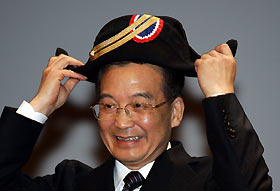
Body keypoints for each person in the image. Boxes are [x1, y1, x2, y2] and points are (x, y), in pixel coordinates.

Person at [0, 14, 272, 191]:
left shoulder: (211, 181)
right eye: (108, 105)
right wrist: (39, 107)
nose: (121, 122)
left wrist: (220, 95)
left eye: (139, 105)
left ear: (176, 112)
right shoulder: (71, 183)